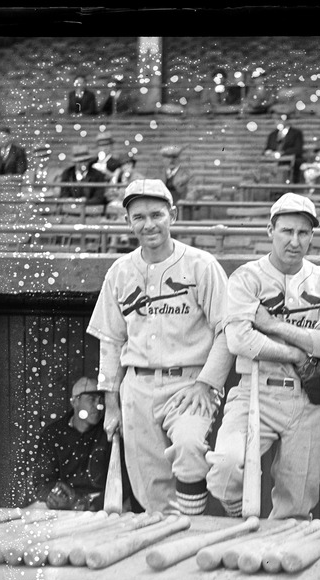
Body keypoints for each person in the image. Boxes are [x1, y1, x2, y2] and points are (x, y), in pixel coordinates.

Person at [87, 179, 232, 515]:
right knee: (149, 486)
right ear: (127, 222)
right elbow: (111, 340)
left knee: (190, 446)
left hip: (189, 381)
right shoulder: (120, 271)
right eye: (138, 216)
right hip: (136, 386)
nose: (148, 223)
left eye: (156, 214)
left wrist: (206, 383)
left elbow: (228, 330)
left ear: (173, 216)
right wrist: (112, 404)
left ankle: (192, 526)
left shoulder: (201, 264)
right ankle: (169, 545)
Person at [206, 193, 320, 519]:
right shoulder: (246, 277)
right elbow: (239, 340)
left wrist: (270, 325)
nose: (295, 241)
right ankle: (239, 518)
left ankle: (283, 558)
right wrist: (295, 352)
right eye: (286, 231)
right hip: (255, 387)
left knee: (296, 503)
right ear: (270, 230)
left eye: (303, 233)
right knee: (225, 467)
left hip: (307, 399)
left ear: (311, 236)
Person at [28, 376, 113, 511]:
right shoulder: (53, 434)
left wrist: (90, 503)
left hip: (99, 502)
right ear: (75, 402)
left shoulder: (109, 431)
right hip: (64, 502)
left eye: (101, 400)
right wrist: (55, 495)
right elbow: (41, 481)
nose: (98, 406)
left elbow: (121, 482)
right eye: (92, 399)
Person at [264, 115, 304, 183]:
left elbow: (298, 149)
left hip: (289, 161)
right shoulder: (272, 135)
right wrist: (268, 152)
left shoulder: (296, 133)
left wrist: (282, 153)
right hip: (273, 161)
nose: (278, 122)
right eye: (277, 120)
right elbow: (268, 148)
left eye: (280, 120)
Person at [105, 151, 145, 219]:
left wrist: (118, 192)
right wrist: (116, 176)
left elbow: (129, 195)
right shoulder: (118, 176)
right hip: (119, 203)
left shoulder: (138, 178)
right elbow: (108, 194)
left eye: (128, 163)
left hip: (134, 205)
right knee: (111, 206)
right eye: (123, 164)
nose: (126, 166)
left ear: (132, 164)